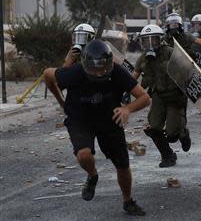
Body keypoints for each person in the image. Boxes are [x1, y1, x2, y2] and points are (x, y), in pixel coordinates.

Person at [43, 39, 150, 215]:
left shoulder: (117, 71)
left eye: (102, 68)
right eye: (93, 69)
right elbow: (47, 74)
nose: (99, 73)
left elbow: (145, 97)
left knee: (123, 165)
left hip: (109, 119)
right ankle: (93, 175)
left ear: (109, 63)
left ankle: (128, 201)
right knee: (84, 154)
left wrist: (127, 109)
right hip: (80, 120)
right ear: (85, 64)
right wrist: (61, 100)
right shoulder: (74, 73)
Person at [133, 24, 191, 168]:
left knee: (171, 135)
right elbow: (133, 79)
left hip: (175, 97)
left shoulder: (170, 52)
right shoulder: (143, 59)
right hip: (158, 96)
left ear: (160, 40)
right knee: (153, 128)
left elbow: (188, 70)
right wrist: (125, 92)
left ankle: (182, 132)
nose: (150, 44)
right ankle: (168, 156)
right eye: (146, 40)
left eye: (154, 40)